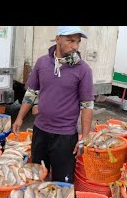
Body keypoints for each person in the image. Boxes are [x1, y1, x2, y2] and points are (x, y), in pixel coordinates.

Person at [12, 26, 94, 183]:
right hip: (40, 131)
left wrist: (84, 137)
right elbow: (31, 92)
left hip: (65, 136)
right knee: (37, 177)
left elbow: (87, 105)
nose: (75, 46)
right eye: (70, 41)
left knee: (62, 183)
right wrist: (20, 118)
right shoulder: (42, 63)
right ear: (58, 39)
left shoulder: (83, 70)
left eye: (78, 42)